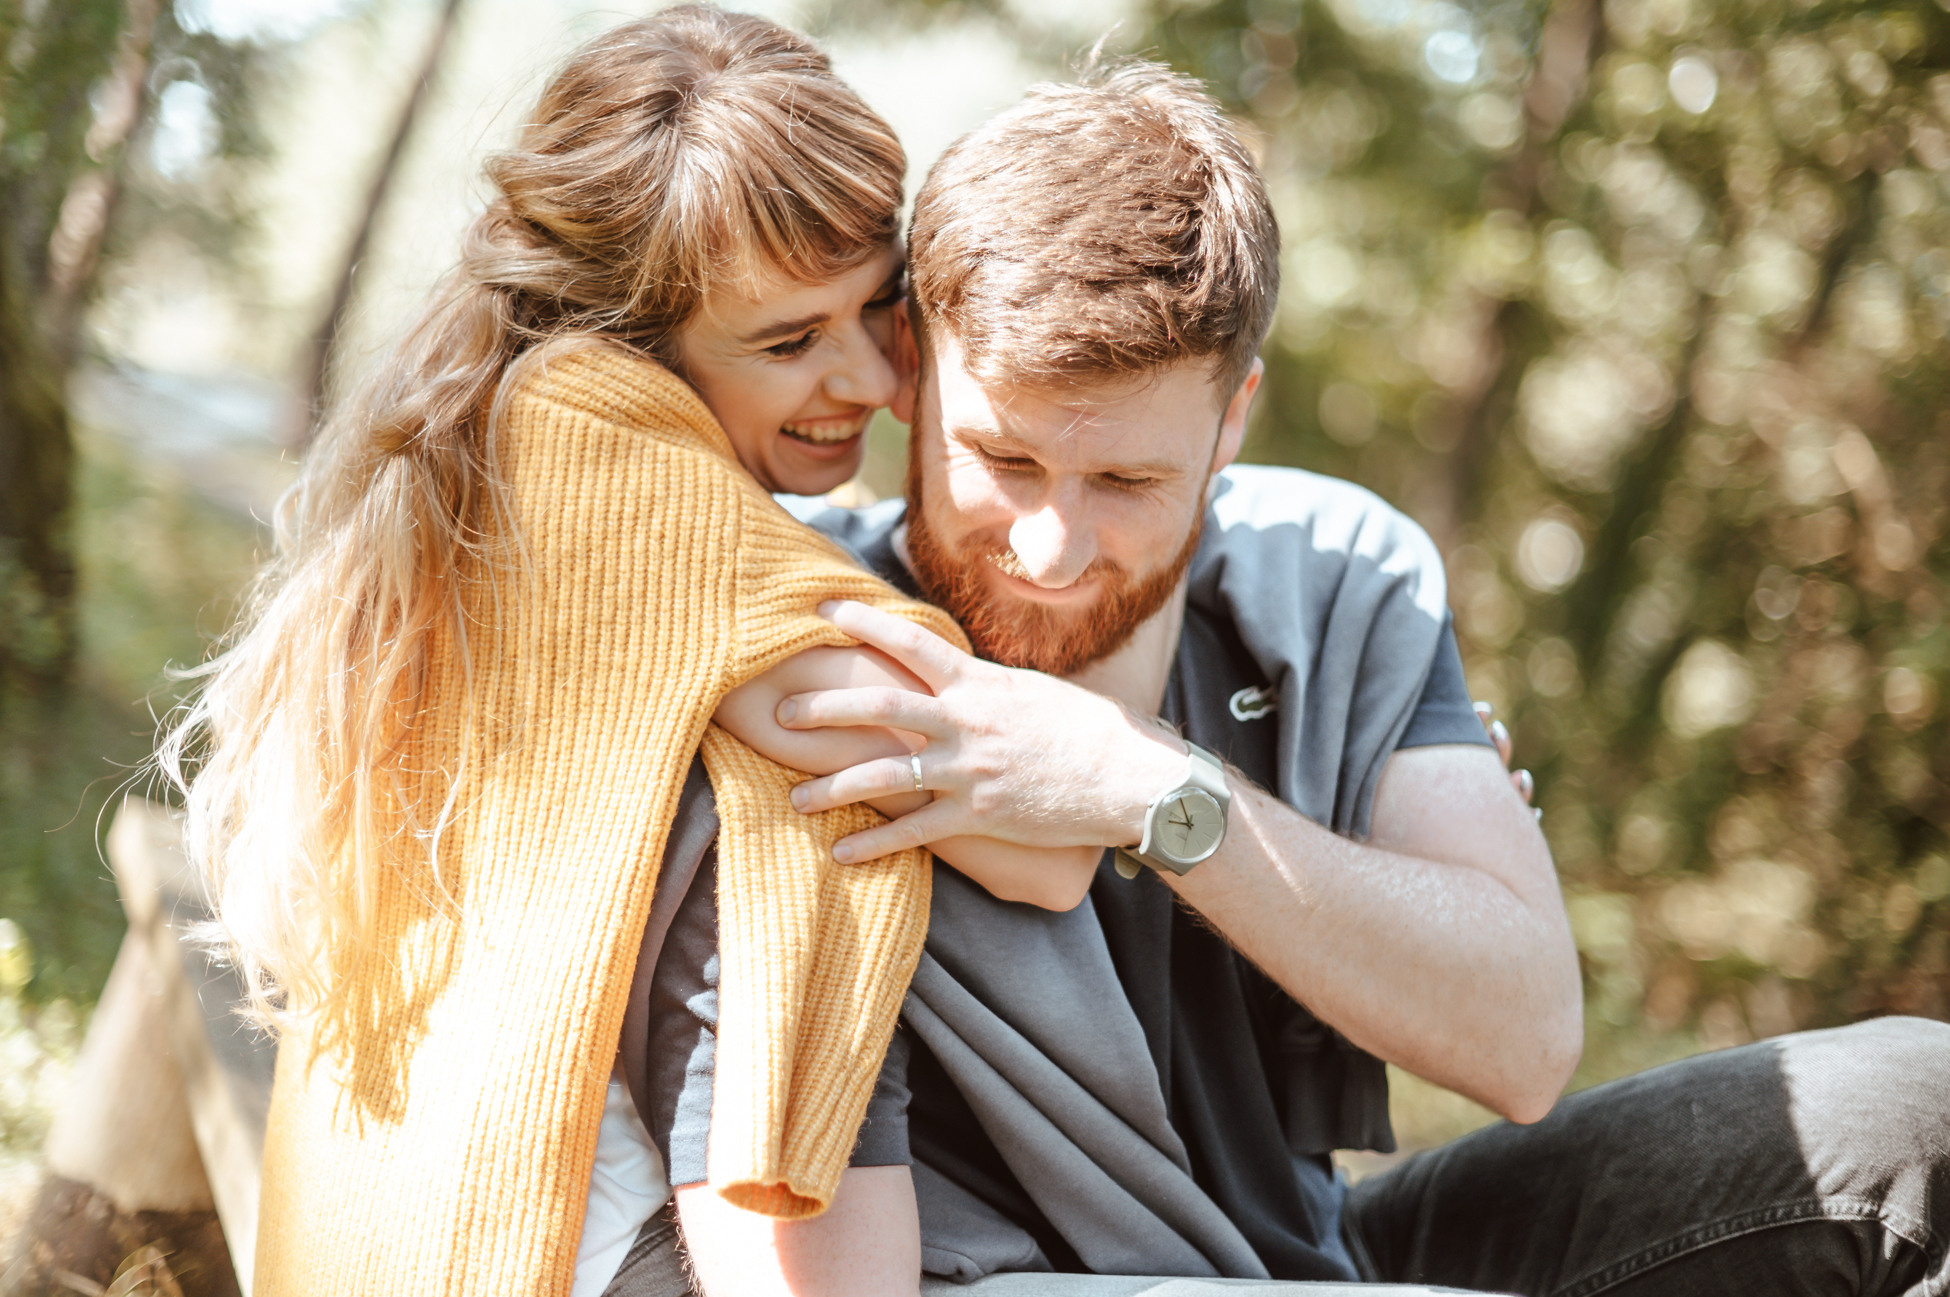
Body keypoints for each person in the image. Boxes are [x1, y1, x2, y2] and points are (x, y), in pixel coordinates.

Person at [616, 59, 1950, 1297]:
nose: (1050, 547)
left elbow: (1524, 1035)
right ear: (912, 369)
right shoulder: (799, 641)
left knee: (1915, 1108)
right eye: (1004, 461)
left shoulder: (1331, 575)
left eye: (1128, 480)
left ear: (1232, 418)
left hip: (1307, 1255)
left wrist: (1140, 788)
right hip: (1011, 1281)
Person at [156, 10, 1090, 1295]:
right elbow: (1040, 840)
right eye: (786, 339)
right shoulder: (607, 467)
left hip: (411, 1190)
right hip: (553, 1245)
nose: (871, 379)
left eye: (878, 307)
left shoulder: (519, 429)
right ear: (633, 333)